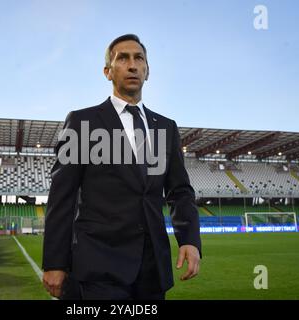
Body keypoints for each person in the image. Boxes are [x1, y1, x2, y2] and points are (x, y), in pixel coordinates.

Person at [42, 34, 201, 300]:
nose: (132, 64)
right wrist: (54, 262)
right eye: (123, 58)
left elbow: (180, 191)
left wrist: (189, 239)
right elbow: (62, 195)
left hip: (152, 270)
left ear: (147, 71)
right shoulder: (82, 122)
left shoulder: (166, 127)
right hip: (98, 268)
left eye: (139, 58)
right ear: (108, 71)